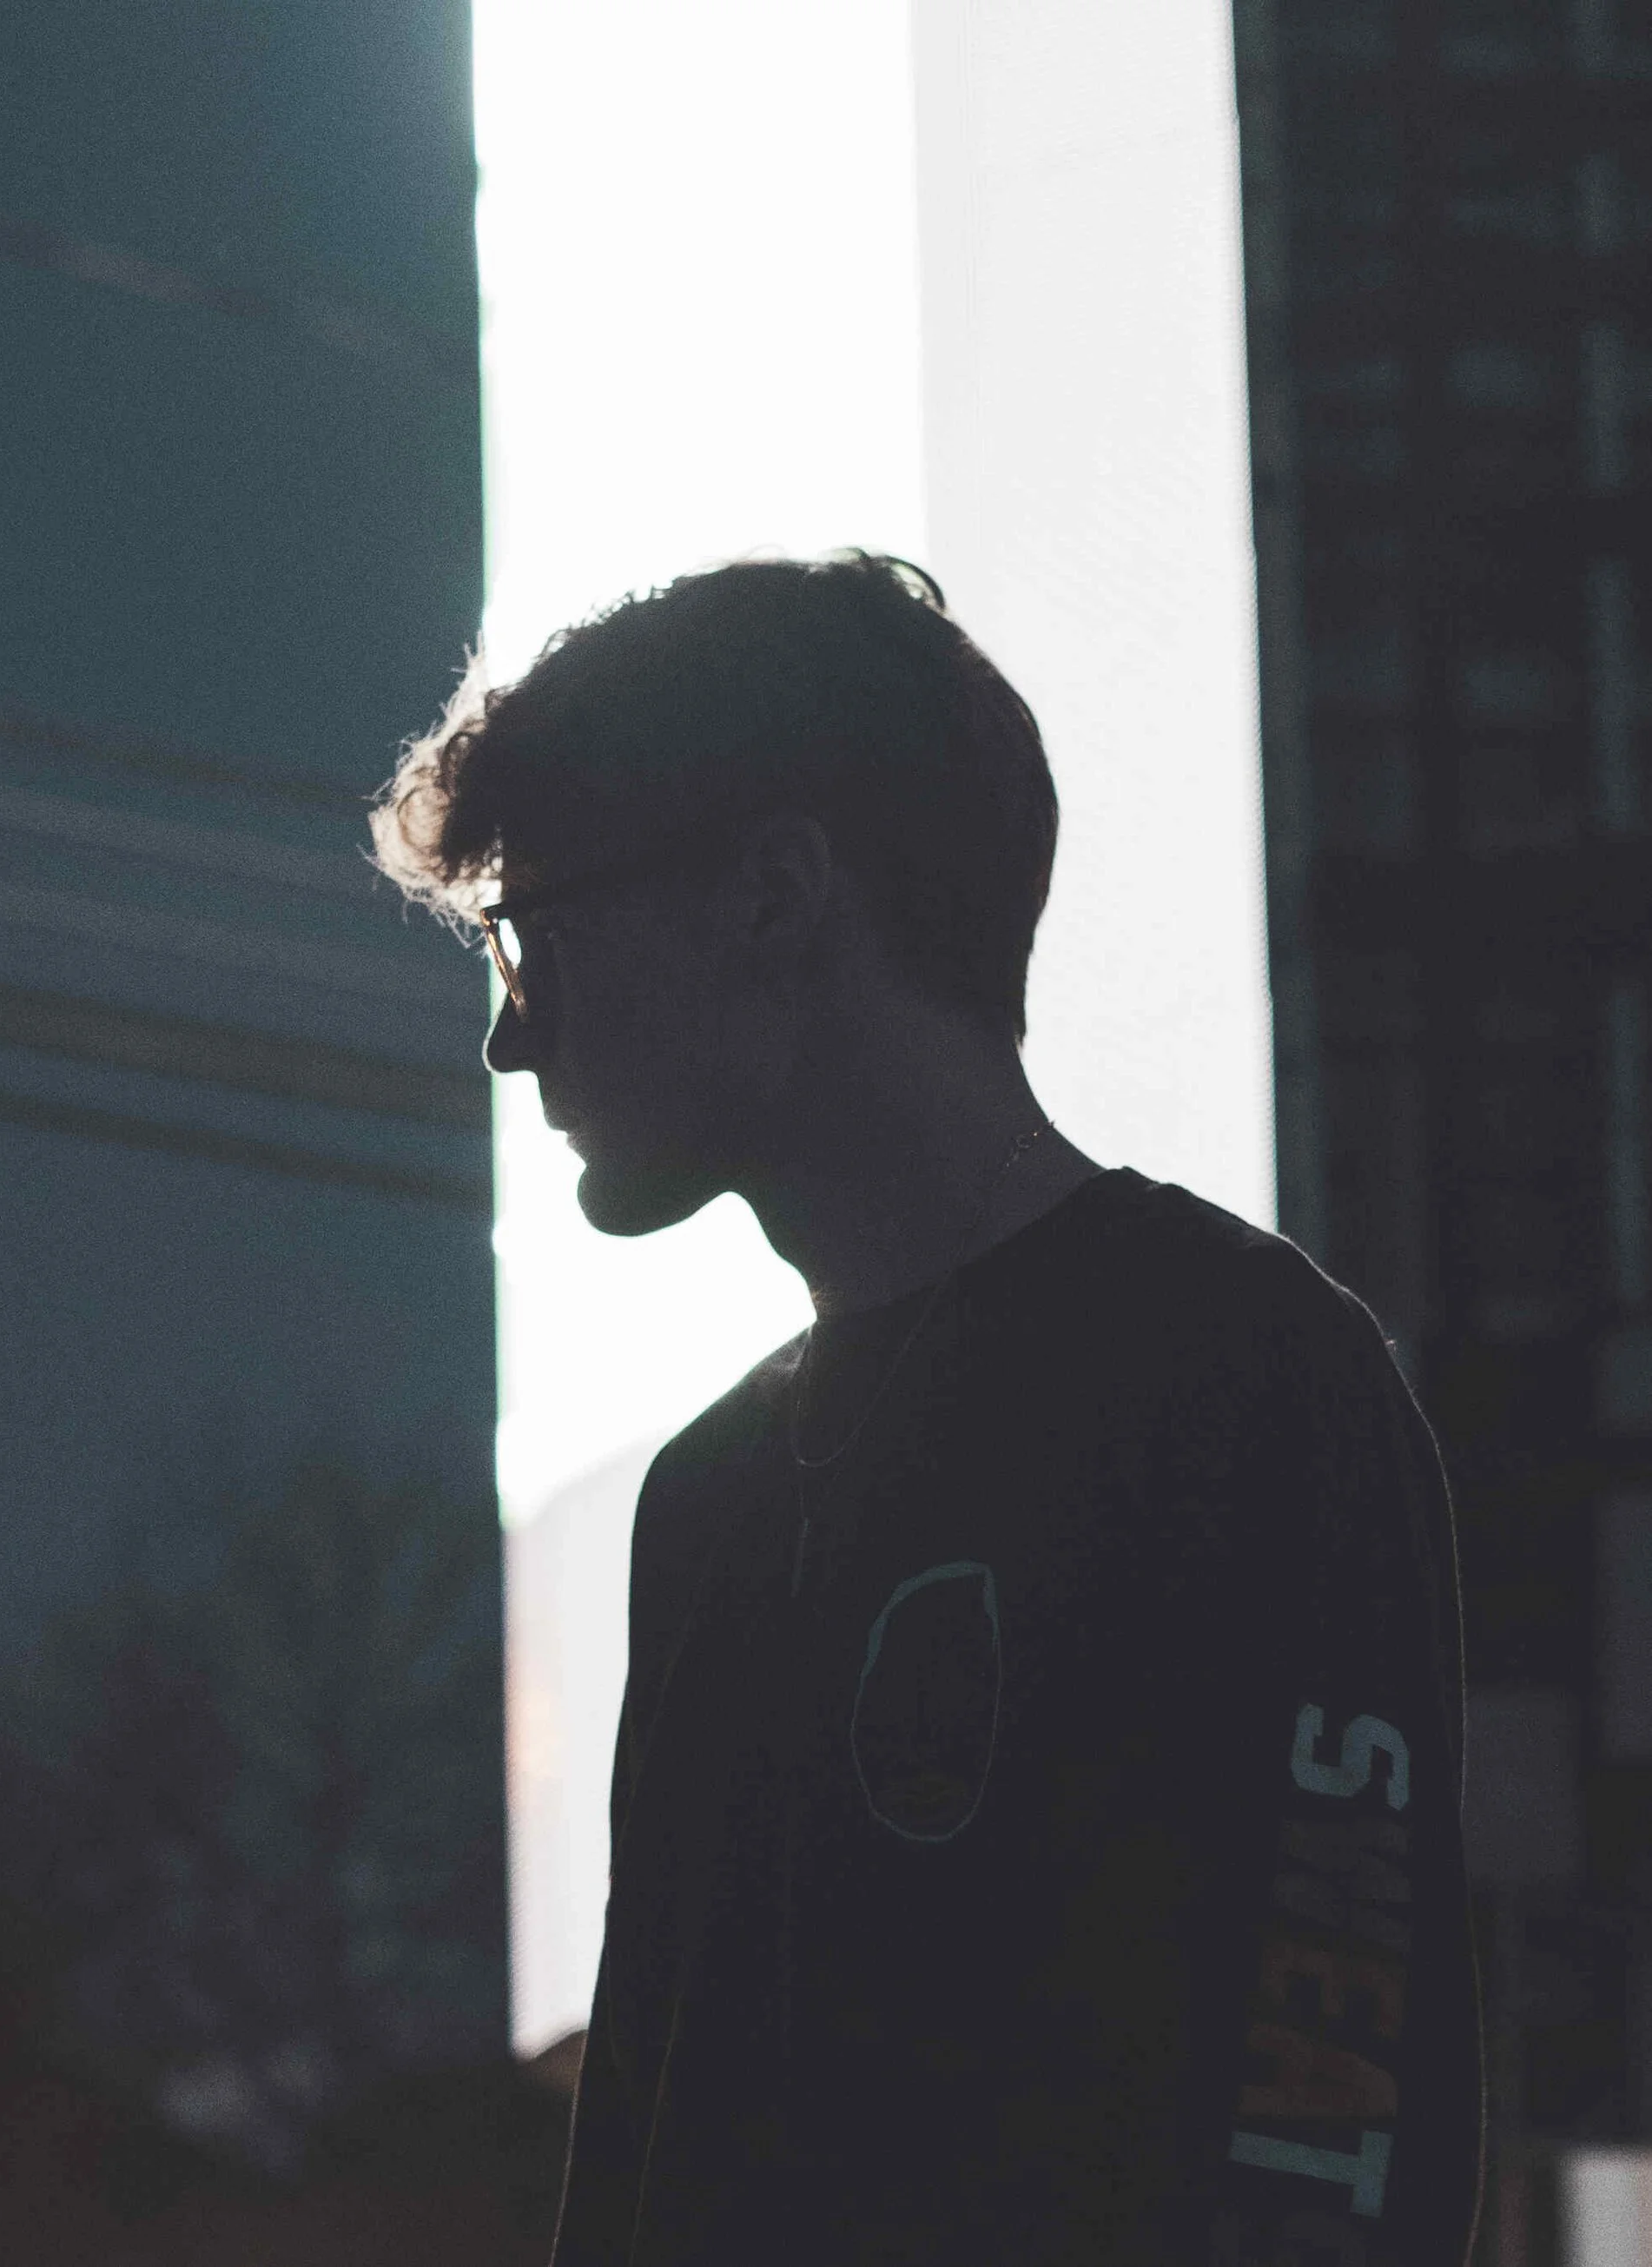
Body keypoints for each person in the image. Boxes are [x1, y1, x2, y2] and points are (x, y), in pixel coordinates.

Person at [370, 552, 1485, 2266]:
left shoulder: (1240, 1381)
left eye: (531, 934)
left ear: (771, 894)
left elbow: (1332, 2119)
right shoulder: (707, 1505)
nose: (509, 1044)